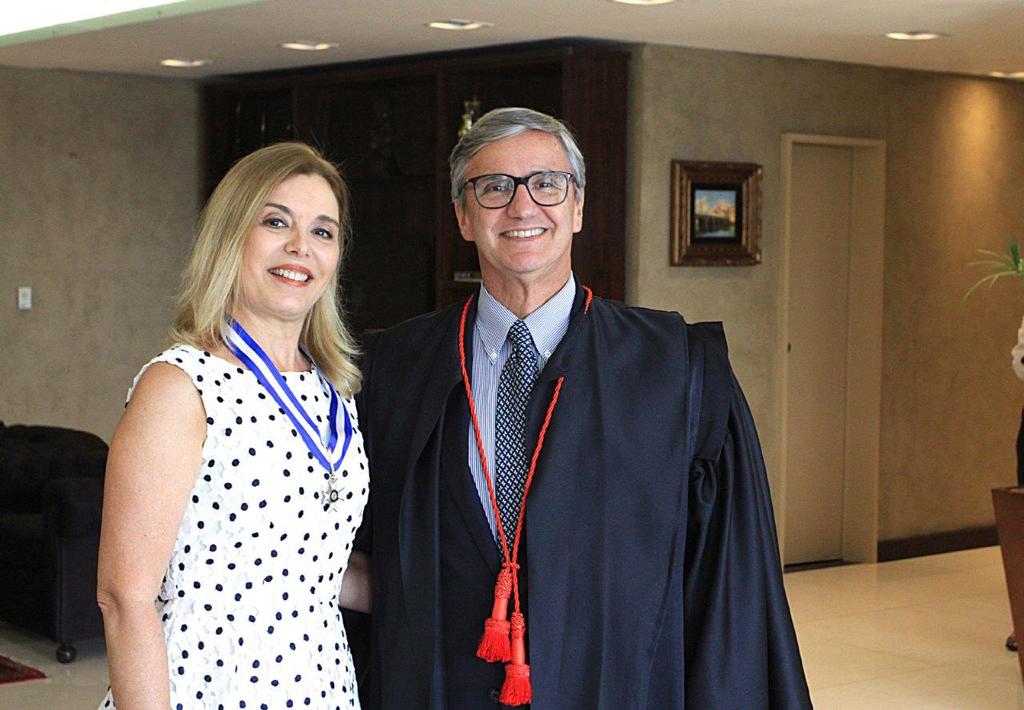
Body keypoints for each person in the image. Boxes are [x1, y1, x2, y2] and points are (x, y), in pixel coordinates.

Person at [354, 107, 811, 708]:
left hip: (620, 686)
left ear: (577, 207)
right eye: (493, 188)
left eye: (547, 184)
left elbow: (728, 584)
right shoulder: (389, 371)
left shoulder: (678, 369)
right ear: (464, 217)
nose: (522, 208)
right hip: (443, 684)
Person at [96, 142, 370, 709]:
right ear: (231, 235)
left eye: (323, 232)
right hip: (205, 687)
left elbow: (309, 562)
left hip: (321, 686)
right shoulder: (180, 387)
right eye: (276, 222)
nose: (301, 247)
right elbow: (124, 598)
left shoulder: (333, 391)